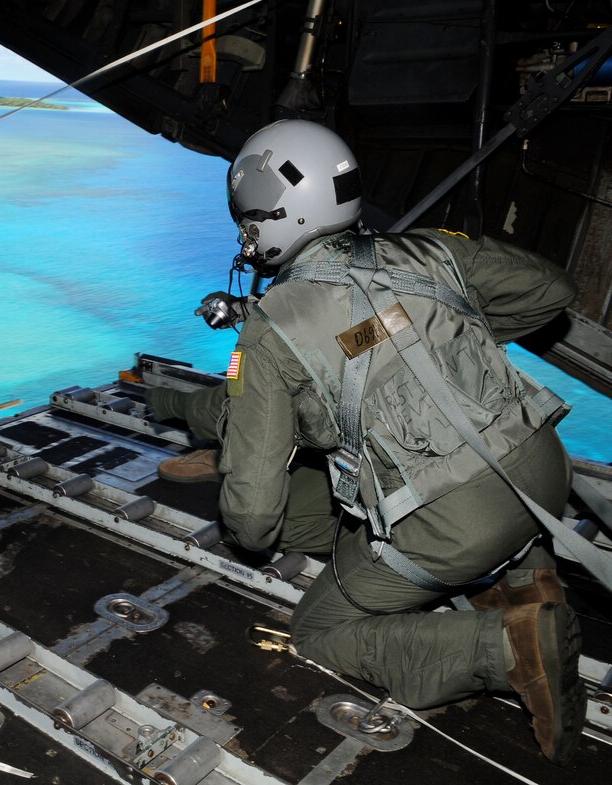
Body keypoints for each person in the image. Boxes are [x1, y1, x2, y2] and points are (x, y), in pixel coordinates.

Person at [146, 119, 583, 765]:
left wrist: (245, 510)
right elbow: (553, 291)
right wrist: (443, 334)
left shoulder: (270, 333)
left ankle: (509, 645)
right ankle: (529, 578)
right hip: (546, 471)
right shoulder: (431, 252)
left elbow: (255, 516)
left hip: (458, 521)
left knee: (319, 631)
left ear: (271, 219)